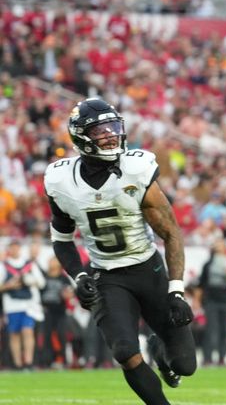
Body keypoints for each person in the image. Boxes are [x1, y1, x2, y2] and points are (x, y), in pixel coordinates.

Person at [44, 98, 196, 404]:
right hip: (107, 275)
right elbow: (61, 239)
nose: (111, 135)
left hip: (147, 268)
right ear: (81, 137)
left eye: (114, 127)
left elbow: (170, 231)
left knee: (185, 365)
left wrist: (176, 289)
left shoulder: (136, 169)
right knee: (124, 351)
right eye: (101, 130)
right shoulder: (60, 180)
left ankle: (160, 353)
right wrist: (79, 275)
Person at [0, 240, 45, 370]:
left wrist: (29, 280)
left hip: (28, 304)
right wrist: (9, 285)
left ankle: (29, 362)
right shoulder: (3, 266)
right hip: (12, 305)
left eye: (16, 247)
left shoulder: (29, 265)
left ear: (20, 249)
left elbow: (41, 283)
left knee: (27, 331)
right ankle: (18, 364)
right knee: (14, 334)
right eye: (12, 248)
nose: (15, 250)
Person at [197, 238, 226, 366]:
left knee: (224, 330)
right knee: (211, 329)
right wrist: (197, 300)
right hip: (210, 300)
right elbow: (201, 284)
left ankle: (222, 357)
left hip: (224, 299)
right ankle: (207, 357)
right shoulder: (208, 264)